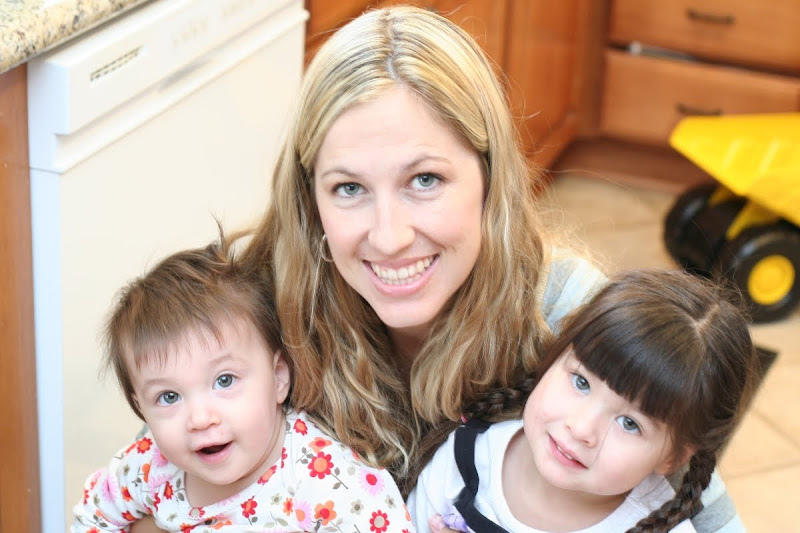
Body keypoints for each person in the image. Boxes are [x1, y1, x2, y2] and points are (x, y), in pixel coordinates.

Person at [131, 5, 744, 532]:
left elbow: (700, 505)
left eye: (425, 180)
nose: (389, 236)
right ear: (309, 199)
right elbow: (149, 480)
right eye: (348, 188)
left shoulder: (571, 314)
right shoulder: (252, 306)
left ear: (490, 178)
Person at [72, 232, 413, 532]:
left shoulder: (328, 479)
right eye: (169, 397)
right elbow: (95, 517)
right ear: (140, 407)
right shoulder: (149, 466)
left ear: (278, 377)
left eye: (224, 380)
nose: (200, 418)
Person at [407, 269, 760, 533]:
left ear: (673, 458)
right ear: (554, 357)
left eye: (630, 423)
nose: (581, 428)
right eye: (581, 382)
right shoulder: (466, 456)